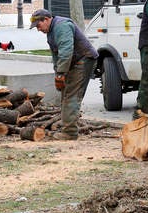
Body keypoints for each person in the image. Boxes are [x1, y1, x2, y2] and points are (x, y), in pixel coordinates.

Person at [30, 9, 99, 140]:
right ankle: (68, 127)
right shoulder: (51, 31)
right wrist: (58, 73)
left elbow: (66, 51)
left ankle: (70, 133)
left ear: (46, 19)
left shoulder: (62, 26)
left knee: (72, 96)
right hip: (73, 62)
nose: (38, 29)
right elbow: (56, 55)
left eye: (38, 26)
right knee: (66, 94)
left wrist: (61, 74)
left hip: (83, 61)